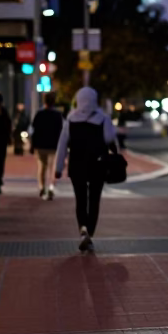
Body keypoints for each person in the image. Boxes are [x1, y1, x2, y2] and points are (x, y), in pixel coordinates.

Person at [55, 86, 118, 251]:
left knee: (80, 199)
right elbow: (110, 138)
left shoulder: (70, 120)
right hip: (98, 164)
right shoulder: (103, 119)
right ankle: (90, 231)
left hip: (77, 165)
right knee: (94, 199)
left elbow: (62, 145)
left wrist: (58, 167)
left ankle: (82, 229)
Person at [29, 92, 64, 200]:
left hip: (40, 145)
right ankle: (51, 188)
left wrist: (32, 144)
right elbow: (62, 131)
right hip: (54, 145)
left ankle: (41, 187)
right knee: (53, 168)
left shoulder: (39, 114)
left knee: (42, 167)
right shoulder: (58, 115)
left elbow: (33, 130)